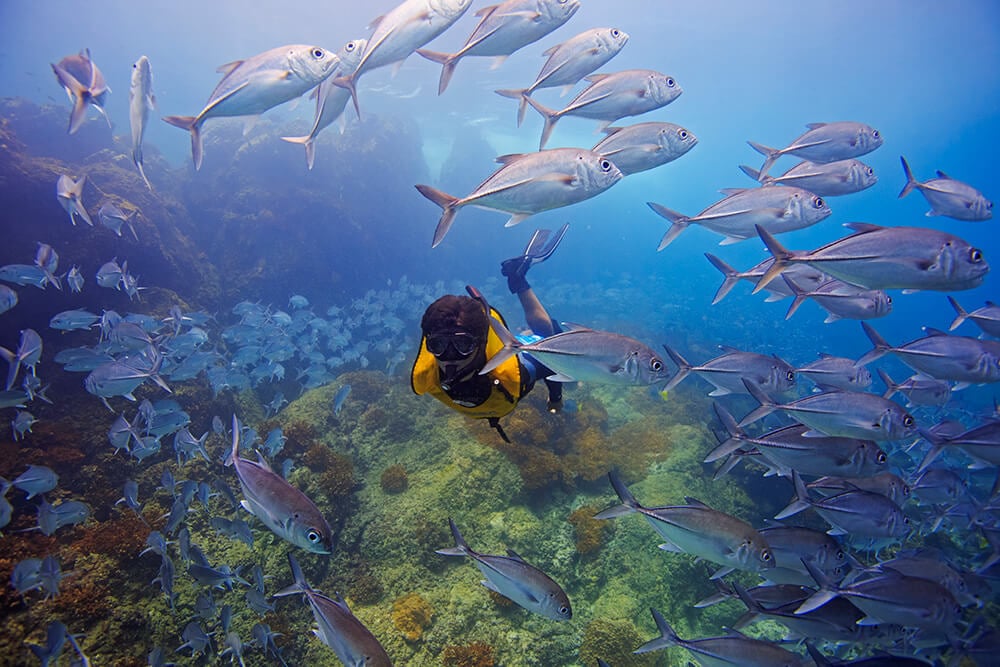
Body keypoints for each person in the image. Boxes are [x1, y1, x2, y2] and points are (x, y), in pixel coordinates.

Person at [410, 225, 569, 442]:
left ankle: (518, 279)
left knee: (548, 338)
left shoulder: (513, 373)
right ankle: (517, 279)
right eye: (438, 346)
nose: (449, 359)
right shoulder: (426, 376)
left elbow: (551, 363)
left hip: (514, 353)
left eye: (462, 345)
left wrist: (555, 398)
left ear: (481, 343)